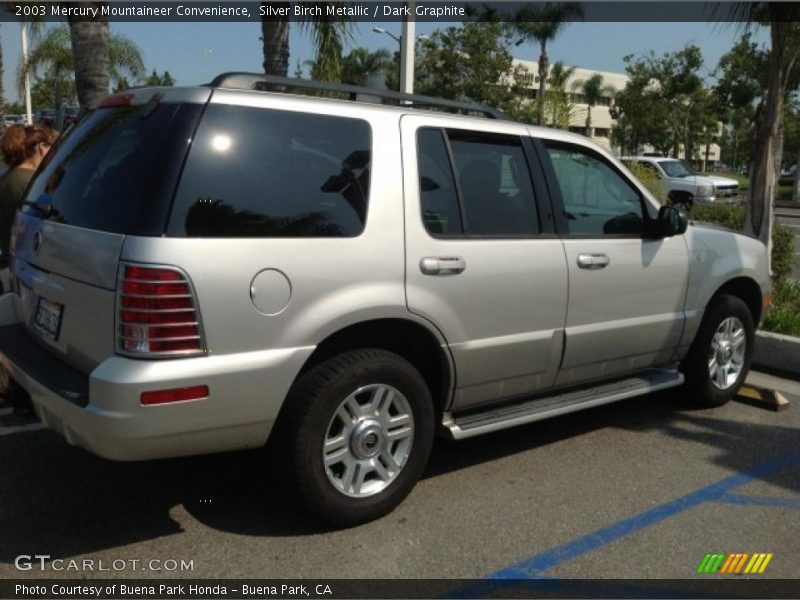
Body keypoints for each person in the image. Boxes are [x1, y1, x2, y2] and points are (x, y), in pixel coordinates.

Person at [0, 124, 57, 421]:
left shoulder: (9, 179)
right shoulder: (28, 183)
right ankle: (23, 395)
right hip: (21, 264)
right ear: (37, 148)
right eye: (47, 147)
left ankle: (15, 394)